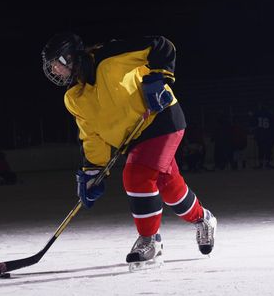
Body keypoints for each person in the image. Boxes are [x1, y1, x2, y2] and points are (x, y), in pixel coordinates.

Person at [41, 33, 217, 268]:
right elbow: (91, 135)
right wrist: (92, 171)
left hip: (161, 119)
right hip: (136, 138)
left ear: (69, 57)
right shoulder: (74, 98)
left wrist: (159, 77)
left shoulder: (109, 57)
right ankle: (203, 219)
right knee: (168, 187)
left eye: (56, 64)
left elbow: (161, 46)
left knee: (137, 176)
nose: (54, 70)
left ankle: (150, 241)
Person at [251, 103, 274, 169]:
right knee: (268, 149)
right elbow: (273, 125)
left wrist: (255, 134)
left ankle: (261, 163)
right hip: (268, 134)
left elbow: (254, 124)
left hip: (260, 134)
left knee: (261, 149)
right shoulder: (270, 115)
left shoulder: (257, 114)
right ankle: (267, 163)